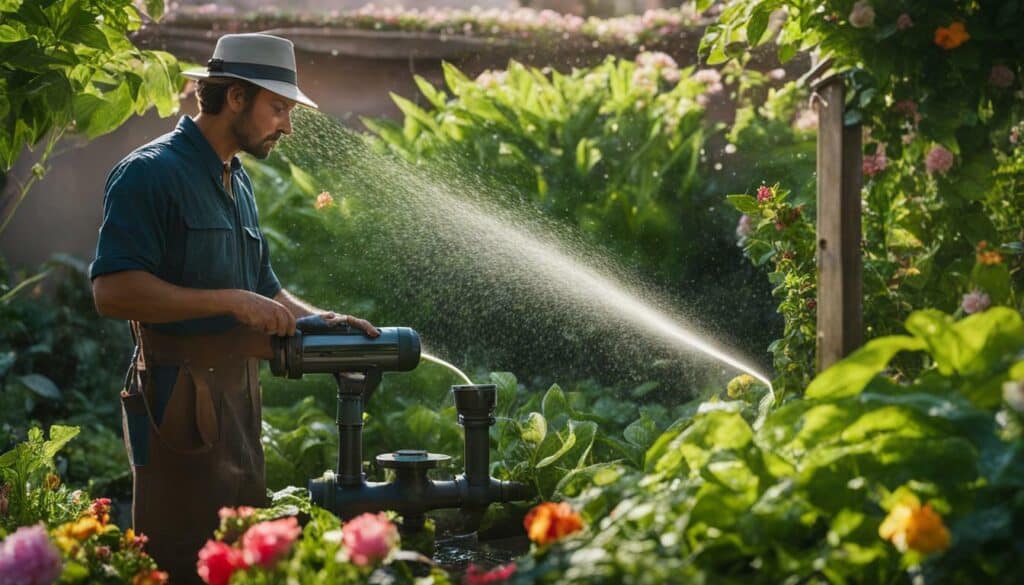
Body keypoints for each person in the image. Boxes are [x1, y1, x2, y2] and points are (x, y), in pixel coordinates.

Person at [89, 33, 377, 583]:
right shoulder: (149, 173)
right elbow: (112, 292)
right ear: (236, 97)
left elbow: (266, 290)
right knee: (182, 557)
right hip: (178, 400)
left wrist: (319, 322)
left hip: (240, 397)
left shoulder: (236, 178)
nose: (287, 126)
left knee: (242, 554)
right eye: (279, 108)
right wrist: (231, 302)